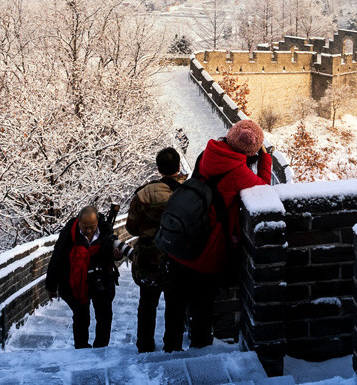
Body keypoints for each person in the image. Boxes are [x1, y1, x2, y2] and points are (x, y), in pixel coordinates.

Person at [164, 119, 272, 352]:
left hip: (182, 237)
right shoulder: (238, 172)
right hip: (206, 249)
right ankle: (200, 351)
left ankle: (170, 349)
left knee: (174, 304)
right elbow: (263, 187)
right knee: (202, 306)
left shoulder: (207, 153)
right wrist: (265, 158)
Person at [125, 146, 187, 353]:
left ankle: (144, 345)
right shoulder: (186, 193)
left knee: (147, 303)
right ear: (178, 167)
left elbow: (131, 228)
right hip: (177, 257)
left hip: (149, 257)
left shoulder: (145, 193)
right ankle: (173, 345)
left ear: (158, 168)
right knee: (175, 303)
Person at [45, 205, 122, 348]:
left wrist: (116, 255)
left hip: (101, 278)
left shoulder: (105, 231)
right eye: (85, 227)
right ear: (78, 221)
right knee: (81, 316)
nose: (89, 231)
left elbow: (109, 255)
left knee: (104, 314)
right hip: (76, 281)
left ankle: (101, 348)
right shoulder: (68, 235)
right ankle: (82, 350)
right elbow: (57, 258)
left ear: (97, 222)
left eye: (92, 227)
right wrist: (51, 286)